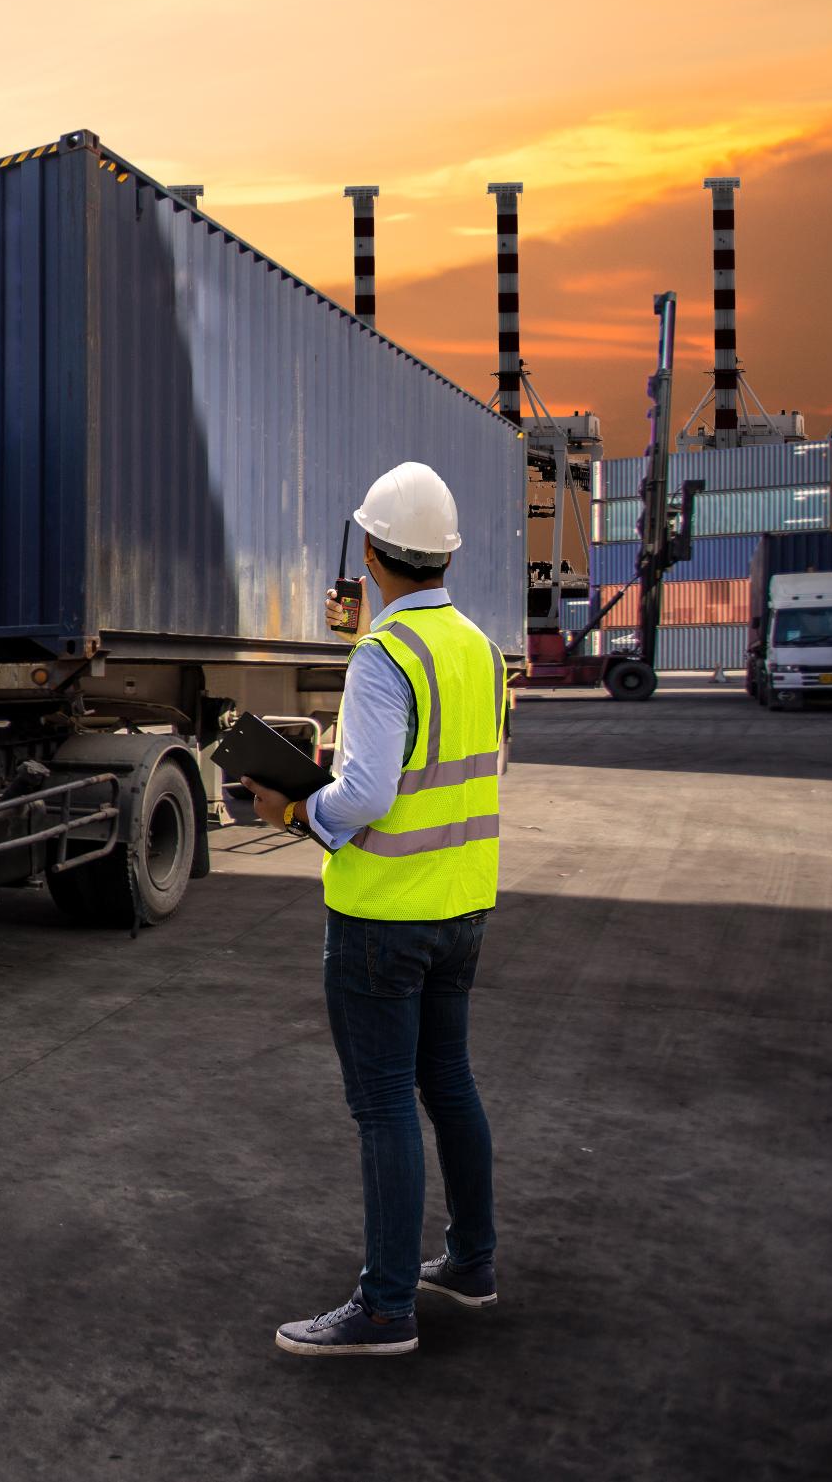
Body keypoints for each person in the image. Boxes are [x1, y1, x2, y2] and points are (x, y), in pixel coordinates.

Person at [239, 461, 507, 1358]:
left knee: (385, 1103)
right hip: (461, 906)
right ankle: (470, 1261)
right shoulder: (478, 648)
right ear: (443, 555)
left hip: (383, 916)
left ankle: (386, 1307)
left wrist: (292, 811)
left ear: (369, 553)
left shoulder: (382, 657)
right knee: (448, 1084)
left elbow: (362, 792)